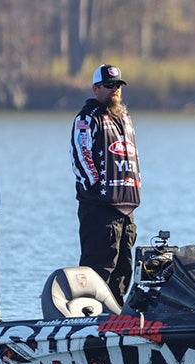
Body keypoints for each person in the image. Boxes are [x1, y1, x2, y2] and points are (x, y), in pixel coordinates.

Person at [70, 64, 141, 306]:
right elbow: (80, 156)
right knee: (99, 265)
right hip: (99, 206)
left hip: (126, 207)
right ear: (96, 88)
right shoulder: (87, 118)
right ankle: (89, 315)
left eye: (119, 86)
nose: (115, 90)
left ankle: (116, 313)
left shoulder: (124, 117)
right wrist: (98, 187)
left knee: (124, 266)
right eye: (110, 86)